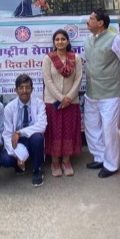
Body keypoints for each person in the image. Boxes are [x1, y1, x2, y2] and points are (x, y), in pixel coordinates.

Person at [83, 9, 120, 178]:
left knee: (109, 130)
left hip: (110, 92)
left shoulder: (115, 39)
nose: (87, 21)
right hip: (91, 92)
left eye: (91, 18)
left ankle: (111, 164)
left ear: (100, 22)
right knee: (92, 127)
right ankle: (100, 157)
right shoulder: (88, 39)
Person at [41, 29, 83, 177]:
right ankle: (54, 162)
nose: (60, 42)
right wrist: (61, 98)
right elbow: (47, 80)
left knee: (68, 131)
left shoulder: (75, 58)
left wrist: (69, 98)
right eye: (57, 39)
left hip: (72, 102)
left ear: (68, 41)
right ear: (54, 42)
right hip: (53, 102)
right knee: (54, 131)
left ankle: (66, 160)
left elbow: (78, 79)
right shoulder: (48, 59)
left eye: (63, 39)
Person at [2, 74, 48, 187]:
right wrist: (18, 155)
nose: (24, 91)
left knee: (37, 138)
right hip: (17, 142)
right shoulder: (9, 108)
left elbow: (42, 125)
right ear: (16, 90)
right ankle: (19, 164)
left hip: (31, 138)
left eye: (27, 87)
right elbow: (7, 135)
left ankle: (37, 170)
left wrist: (19, 132)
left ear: (32, 89)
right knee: (5, 159)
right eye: (21, 88)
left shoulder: (39, 104)